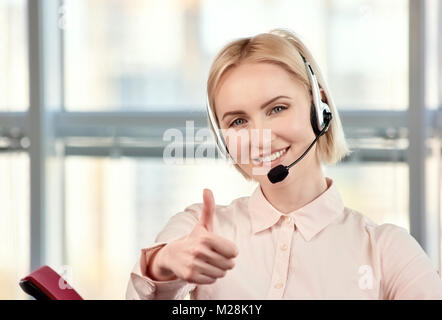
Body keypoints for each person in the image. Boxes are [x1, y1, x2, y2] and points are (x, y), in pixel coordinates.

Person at [126, 29, 442, 299]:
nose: (259, 136)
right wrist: (164, 263)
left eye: (277, 108)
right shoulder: (200, 229)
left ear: (319, 107)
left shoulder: (387, 251)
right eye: (238, 121)